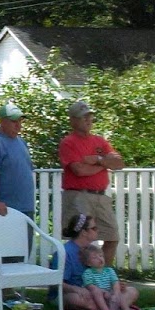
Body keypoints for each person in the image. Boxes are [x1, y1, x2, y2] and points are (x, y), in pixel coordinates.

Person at [58, 100, 125, 267]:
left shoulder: (100, 141)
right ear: (72, 120)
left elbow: (118, 164)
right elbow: (79, 171)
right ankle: (79, 280)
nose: (88, 120)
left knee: (112, 237)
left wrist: (97, 160)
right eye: (83, 117)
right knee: (81, 240)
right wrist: (103, 165)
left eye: (90, 117)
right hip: (78, 196)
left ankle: (103, 277)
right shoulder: (68, 142)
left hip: (100, 196)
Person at [0, 102, 35, 219]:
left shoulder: (22, 142)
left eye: (20, 121)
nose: (18, 125)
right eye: (14, 121)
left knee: (25, 238)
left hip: (26, 208)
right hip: (5, 209)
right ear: (2, 122)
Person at [77, 243, 128, 310]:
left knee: (122, 292)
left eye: (101, 256)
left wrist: (116, 294)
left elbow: (115, 282)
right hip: (96, 297)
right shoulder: (88, 272)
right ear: (88, 263)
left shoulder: (109, 270)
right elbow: (91, 286)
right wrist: (103, 292)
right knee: (96, 291)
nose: (99, 258)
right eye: (94, 257)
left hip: (109, 295)